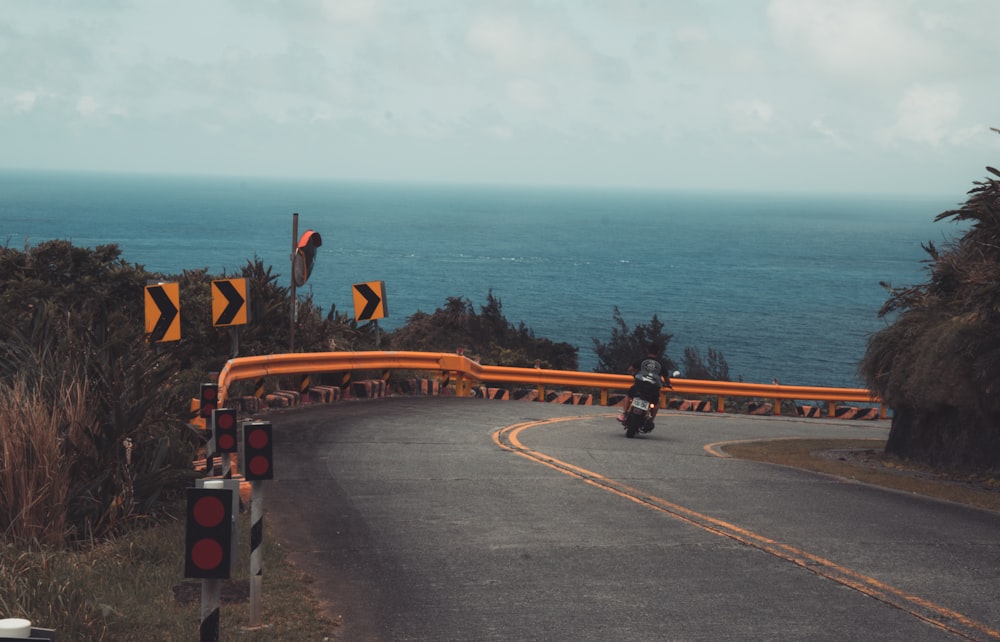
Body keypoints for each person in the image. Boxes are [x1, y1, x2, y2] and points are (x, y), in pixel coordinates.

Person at [619, 343, 672, 431]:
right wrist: (668, 385)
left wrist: (634, 375)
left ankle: (624, 413)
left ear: (648, 351)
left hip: (640, 385)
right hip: (653, 388)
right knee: (656, 402)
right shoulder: (661, 365)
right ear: (658, 352)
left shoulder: (642, 361)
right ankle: (651, 420)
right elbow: (667, 379)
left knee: (629, 395)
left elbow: (630, 369)